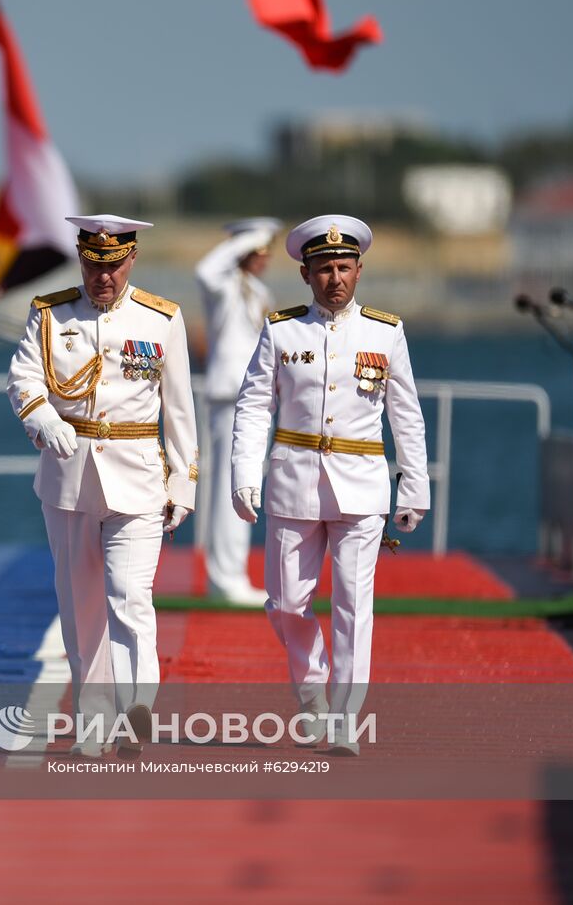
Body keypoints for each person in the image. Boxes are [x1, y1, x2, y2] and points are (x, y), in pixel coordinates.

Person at [231, 215, 429, 755]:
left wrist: (414, 486)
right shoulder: (281, 329)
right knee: (286, 602)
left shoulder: (385, 332)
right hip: (294, 482)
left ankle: (344, 719)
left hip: (362, 486)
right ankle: (311, 693)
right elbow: (253, 406)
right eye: (324, 269)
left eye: (344, 267)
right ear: (305, 273)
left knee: (352, 603)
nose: (334, 278)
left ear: (359, 271)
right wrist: (244, 474)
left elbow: (405, 414)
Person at [7, 215, 198, 759]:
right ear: (81, 260)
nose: (103, 277)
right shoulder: (50, 314)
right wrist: (43, 418)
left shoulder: (162, 319)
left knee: (130, 595)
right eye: (94, 264)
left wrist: (183, 485)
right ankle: (94, 721)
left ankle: (137, 707)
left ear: (131, 260)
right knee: (81, 606)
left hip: (138, 477)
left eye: (113, 265)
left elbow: (180, 412)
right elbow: (23, 377)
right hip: (67, 479)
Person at [195, 217, 280, 606]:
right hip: (229, 395)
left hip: (256, 398)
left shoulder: (259, 291)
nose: (265, 258)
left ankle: (230, 573)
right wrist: (244, 241)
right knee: (229, 488)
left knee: (246, 486)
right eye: (258, 250)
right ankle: (225, 576)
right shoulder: (224, 285)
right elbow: (205, 268)